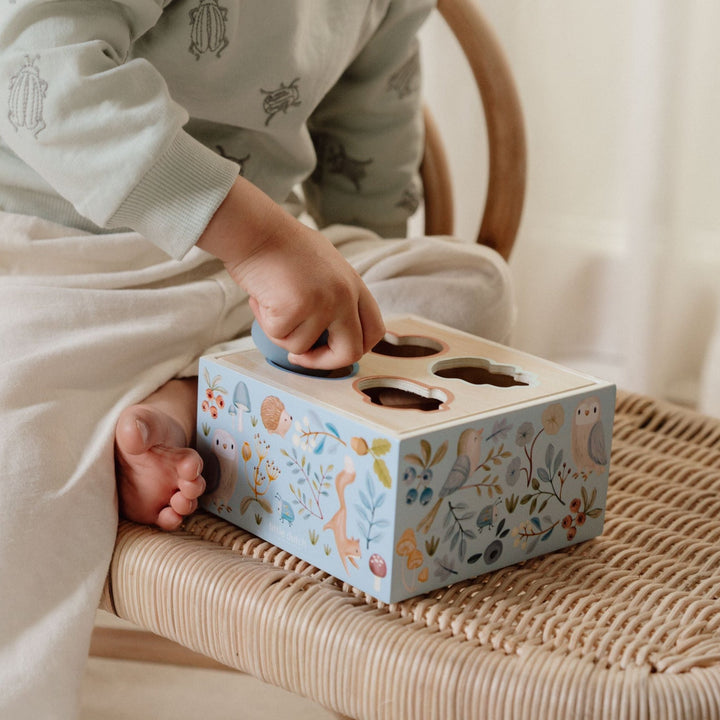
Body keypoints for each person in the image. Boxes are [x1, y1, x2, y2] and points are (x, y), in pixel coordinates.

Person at [0, 2, 514, 717]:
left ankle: (186, 399)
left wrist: (337, 298)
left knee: (468, 283)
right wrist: (261, 242)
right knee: (19, 474)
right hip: (66, 258)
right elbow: (41, 75)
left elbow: (369, 132)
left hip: (261, 281)